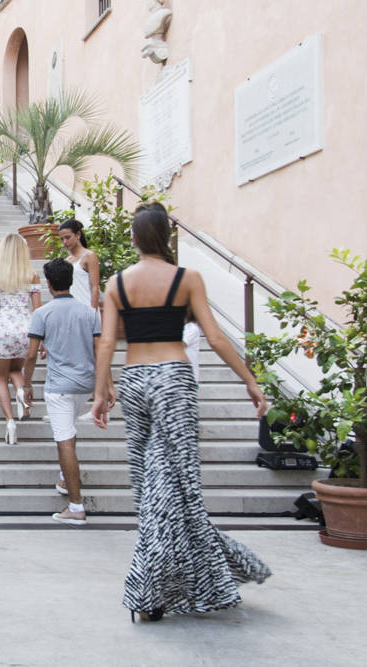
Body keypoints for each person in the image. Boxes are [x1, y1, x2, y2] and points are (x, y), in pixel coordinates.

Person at [91, 201, 270, 621]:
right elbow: (216, 337)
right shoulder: (187, 279)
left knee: (150, 485)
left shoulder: (116, 283)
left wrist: (101, 392)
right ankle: (166, 587)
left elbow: (107, 342)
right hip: (173, 378)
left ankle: (169, 584)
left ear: (134, 238)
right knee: (181, 485)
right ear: (166, 237)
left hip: (134, 378)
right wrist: (249, 379)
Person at [22, 258, 101, 526]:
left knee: (64, 441)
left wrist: (27, 384)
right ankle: (66, 479)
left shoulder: (42, 314)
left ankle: (76, 506)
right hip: (85, 385)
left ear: (48, 284)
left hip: (60, 387)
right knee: (69, 433)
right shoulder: (90, 313)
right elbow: (100, 350)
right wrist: (106, 385)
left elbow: (31, 355)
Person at [0, 233, 42, 445]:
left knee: (0, 378)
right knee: (16, 370)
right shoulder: (32, 275)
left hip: (4, 329)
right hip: (26, 330)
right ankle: (20, 391)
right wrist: (43, 340)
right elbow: (38, 311)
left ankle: (10, 421)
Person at [58, 219, 100, 310]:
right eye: (62, 239)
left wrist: (93, 312)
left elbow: (95, 287)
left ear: (78, 235)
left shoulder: (89, 256)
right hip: (71, 310)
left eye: (67, 237)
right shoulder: (67, 261)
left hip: (87, 308)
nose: (64, 242)